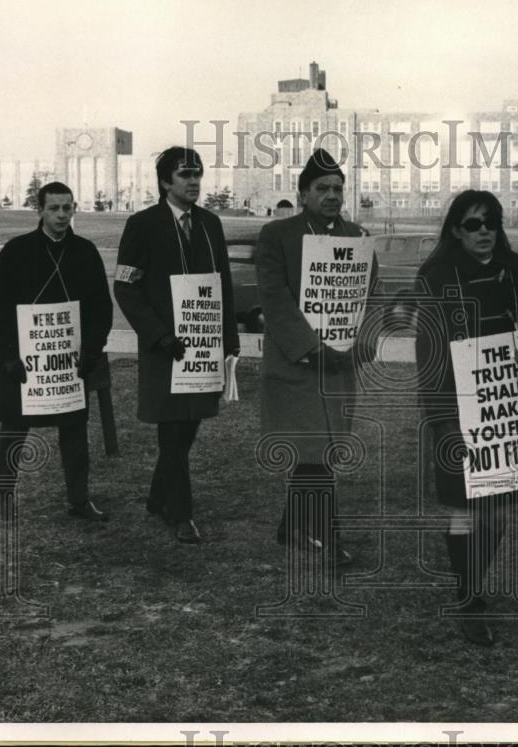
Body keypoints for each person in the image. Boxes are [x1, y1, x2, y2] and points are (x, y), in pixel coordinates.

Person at [414, 189, 518, 646]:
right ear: (455, 229)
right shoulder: (436, 275)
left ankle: (472, 583)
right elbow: (428, 351)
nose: (484, 231)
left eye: (491, 221)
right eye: (473, 223)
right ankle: (469, 597)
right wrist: (442, 418)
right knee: (465, 507)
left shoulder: (512, 269)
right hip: (457, 406)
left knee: (498, 508)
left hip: (509, 403)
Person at [255, 148, 378, 566]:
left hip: (340, 365)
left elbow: (370, 297)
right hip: (296, 365)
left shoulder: (358, 238)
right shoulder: (277, 235)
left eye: (338, 188)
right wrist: (310, 349)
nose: (332, 195)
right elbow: (274, 298)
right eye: (322, 188)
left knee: (324, 450)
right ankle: (326, 535)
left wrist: (361, 343)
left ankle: (292, 527)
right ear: (303, 192)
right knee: (313, 451)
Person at [114, 147, 239, 544]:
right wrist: (158, 335)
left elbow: (223, 284)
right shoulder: (142, 225)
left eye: (198, 174)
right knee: (171, 430)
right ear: (166, 181)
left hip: (201, 348)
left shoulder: (210, 225)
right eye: (185, 175)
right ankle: (181, 514)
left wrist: (228, 339)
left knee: (188, 428)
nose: (193, 182)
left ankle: (157, 495)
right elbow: (125, 286)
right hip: (165, 349)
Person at [0, 181, 113, 521]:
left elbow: (101, 306)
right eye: (53, 208)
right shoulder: (16, 250)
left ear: (74, 209)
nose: (60, 215)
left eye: (66, 208)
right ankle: (2, 499)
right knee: (13, 429)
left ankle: (79, 500)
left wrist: (92, 350)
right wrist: (7, 357)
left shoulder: (85, 251)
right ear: (39, 210)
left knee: (74, 432)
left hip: (69, 365)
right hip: (23, 363)